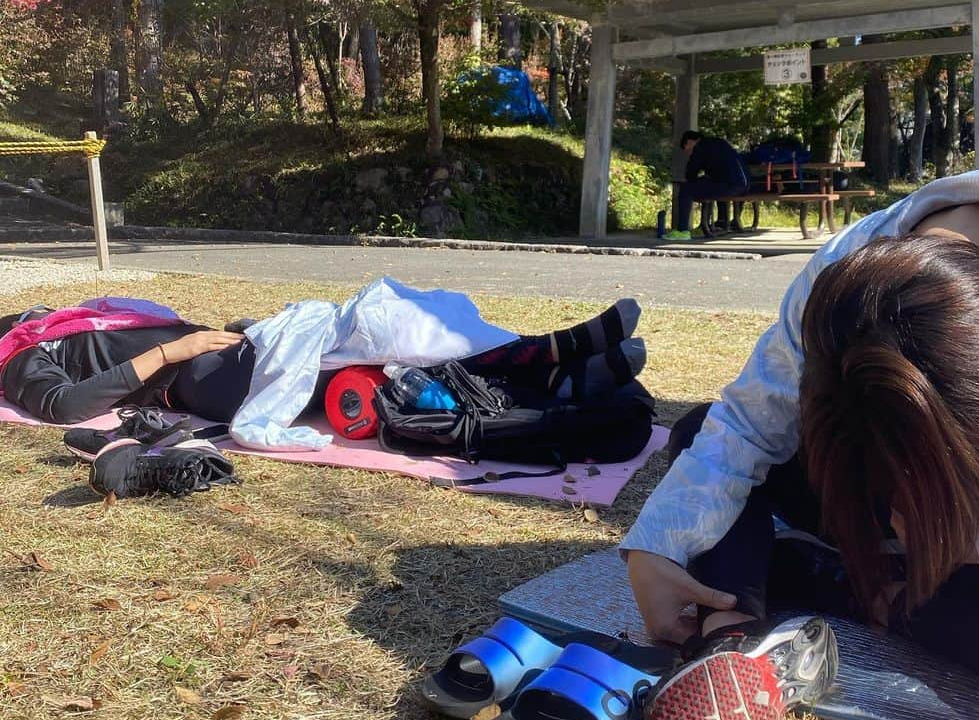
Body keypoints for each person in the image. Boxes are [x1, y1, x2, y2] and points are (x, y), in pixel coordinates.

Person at [623, 168, 979, 720]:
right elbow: (746, 425)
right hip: (945, 537)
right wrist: (658, 545)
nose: (894, 501)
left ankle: (858, 589)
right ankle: (732, 633)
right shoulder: (839, 283)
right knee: (699, 433)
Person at [0, 295, 645, 428]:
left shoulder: (69, 321)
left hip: (229, 352)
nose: (28, 315)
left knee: (393, 337)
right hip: (206, 382)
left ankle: (554, 369)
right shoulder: (23, 359)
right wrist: (178, 348)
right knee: (374, 348)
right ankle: (549, 360)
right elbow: (64, 408)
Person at [664, 128, 749, 241]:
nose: (690, 154)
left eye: (688, 151)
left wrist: (689, 177)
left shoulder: (700, 147)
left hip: (728, 184)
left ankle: (683, 231)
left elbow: (691, 173)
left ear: (690, 141)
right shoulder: (719, 142)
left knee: (686, 189)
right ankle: (720, 222)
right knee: (707, 184)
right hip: (744, 184)